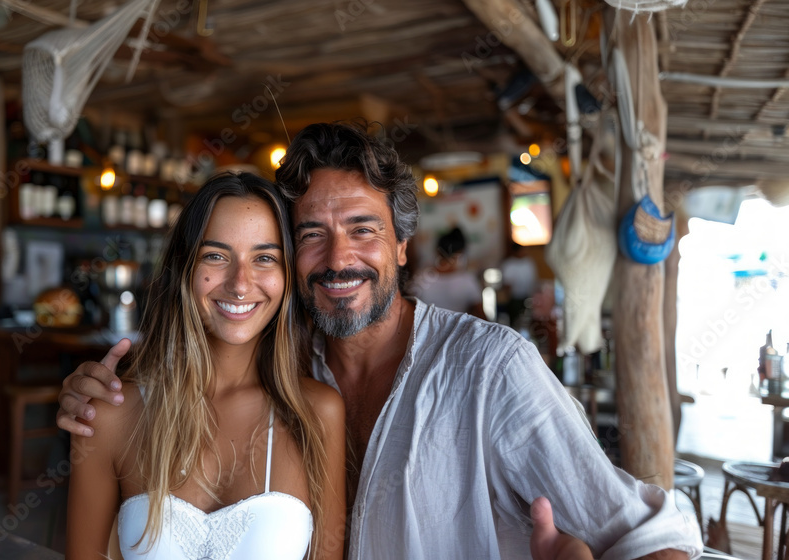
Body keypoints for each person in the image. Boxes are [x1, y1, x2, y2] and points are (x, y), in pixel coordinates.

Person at [58, 124, 702, 560]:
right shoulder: (287, 366)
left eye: (363, 229)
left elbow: (643, 534)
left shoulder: (490, 369)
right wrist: (98, 387)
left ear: (400, 243)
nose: (339, 258)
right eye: (311, 235)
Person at [66, 173, 346, 560]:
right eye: (215, 255)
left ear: (287, 278)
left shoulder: (317, 413)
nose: (240, 284)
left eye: (265, 258)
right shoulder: (110, 414)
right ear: (184, 269)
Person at [412, 226, 484, 315]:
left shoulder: (422, 277)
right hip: (459, 329)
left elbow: (411, 309)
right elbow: (481, 316)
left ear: (437, 251)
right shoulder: (468, 280)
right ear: (461, 254)